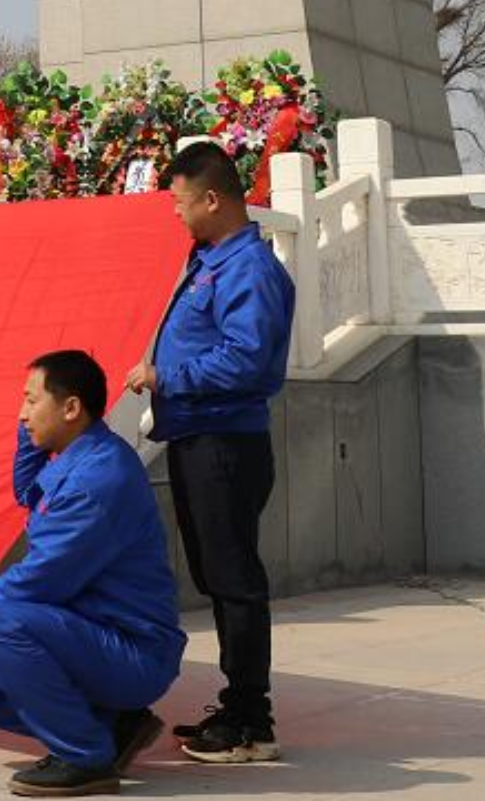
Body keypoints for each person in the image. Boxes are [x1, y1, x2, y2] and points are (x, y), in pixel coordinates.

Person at [0, 350, 185, 798]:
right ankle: (113, 726)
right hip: (87, 635)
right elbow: (27, 492)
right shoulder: (77, 458)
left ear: (71, 408)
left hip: (131, 652)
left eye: (31, 401)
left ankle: (84, 757)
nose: (22, 414)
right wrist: (30, 427)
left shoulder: (97, 480)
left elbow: (41, 578)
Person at [125, 139, 295, 764]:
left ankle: (252, 721)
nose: (176, 213)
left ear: (213, 200)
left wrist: (166, 377)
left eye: (181, 202)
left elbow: (247, 360)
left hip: (225, 442)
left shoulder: (249, 269)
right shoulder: (212, 261)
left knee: (235, 581)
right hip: (198, 436)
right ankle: (238, 706)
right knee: (218, 577)